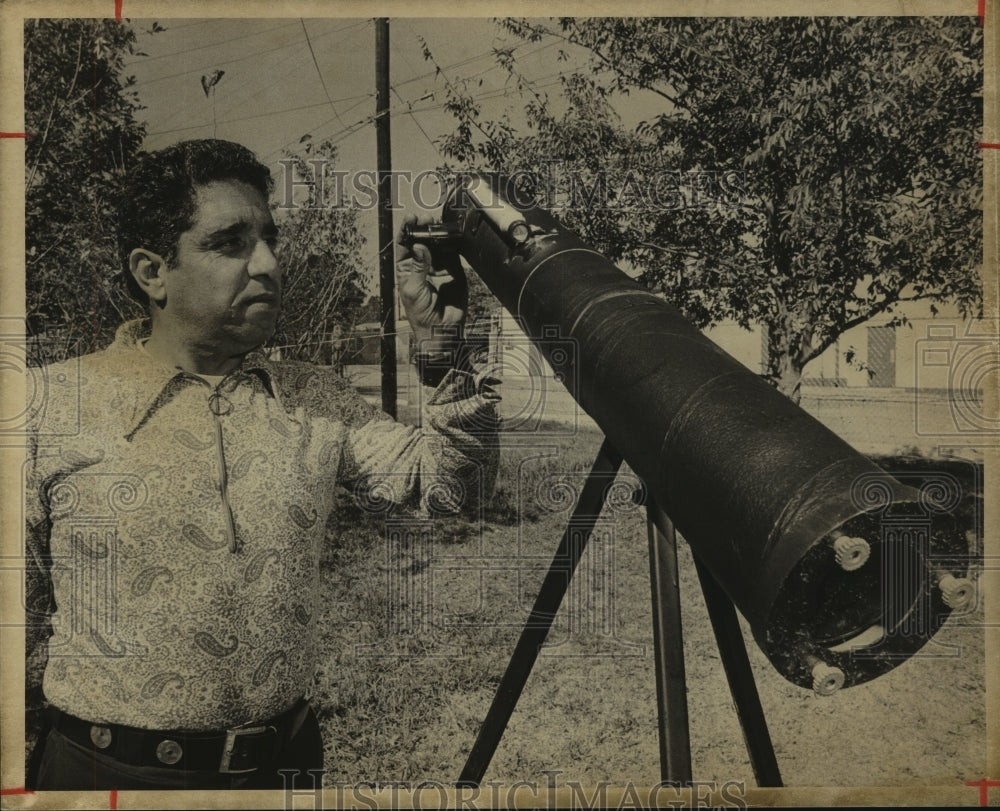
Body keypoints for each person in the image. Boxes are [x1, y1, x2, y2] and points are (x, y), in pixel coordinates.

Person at [23, 139, 499, 790]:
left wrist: (444, 359)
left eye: (271, 238)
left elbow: (453, 493)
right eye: (230, 242)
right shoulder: (46, 406)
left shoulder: (314, 398)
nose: (270, 263)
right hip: (104, 776)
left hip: (284, 771)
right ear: (152, 271)